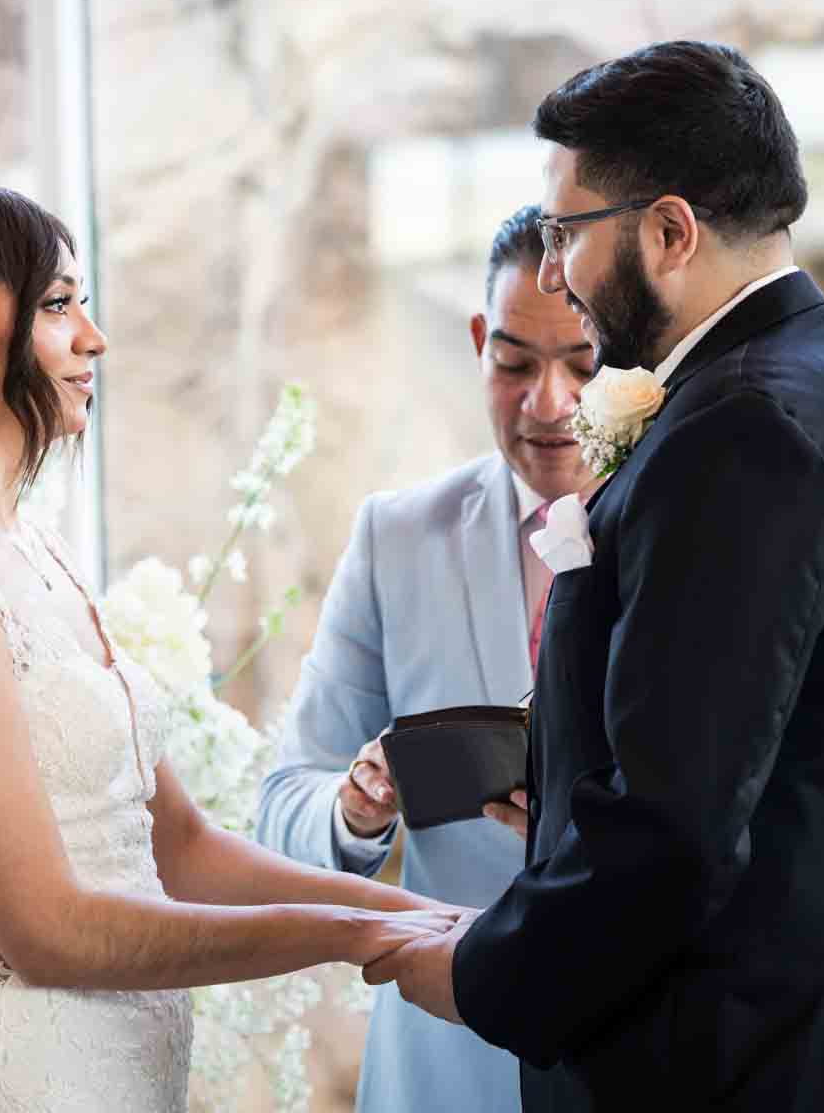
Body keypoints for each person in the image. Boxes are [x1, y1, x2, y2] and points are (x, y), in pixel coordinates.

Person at [0, 161, 459, 1113]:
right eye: (59, 306)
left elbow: (181, 848)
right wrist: (365, 942)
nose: (93, 339)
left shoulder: (31, 548)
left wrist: (423, 915)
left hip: (123, 1076)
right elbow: (46, 931)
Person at [368, 41, 824, 1112]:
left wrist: (477, 970)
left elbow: (673, 832)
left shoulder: (743, 435)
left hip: (748, 1068)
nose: (554, 273)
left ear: (669, 230)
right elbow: (765, 745)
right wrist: (558, 774)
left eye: (565, 234)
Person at [254, 205, 594, 1113]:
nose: (547, 402)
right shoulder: (397, 538)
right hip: (447, 1063)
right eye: (515, 362)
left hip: (645, 1051)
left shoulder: (699, 533)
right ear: (479, 343)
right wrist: (356, 811)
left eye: (582, 365)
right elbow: (284, 802)